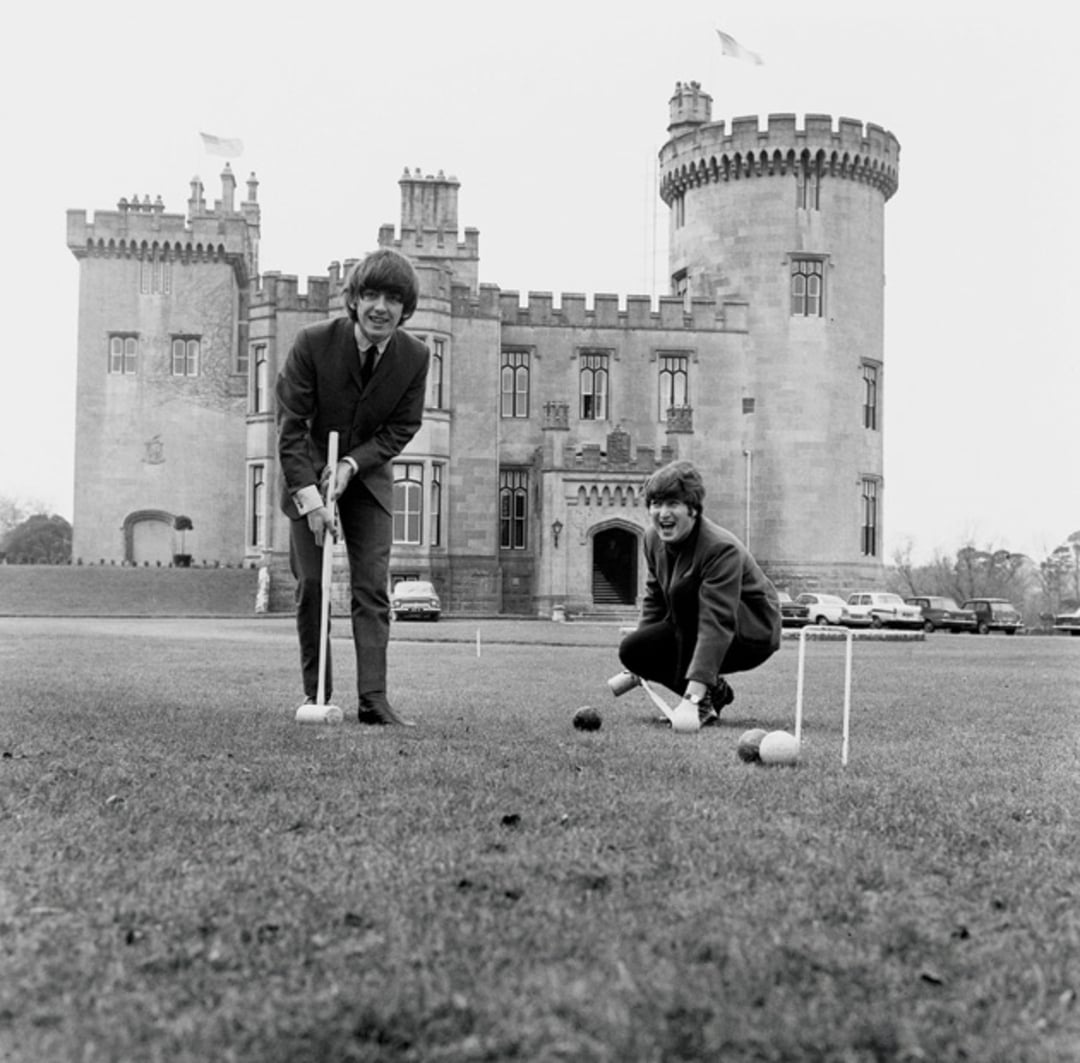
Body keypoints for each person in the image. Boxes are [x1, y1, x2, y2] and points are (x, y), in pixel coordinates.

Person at [276, 248, 429, 726]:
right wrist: (311, 501)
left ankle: (373, 700)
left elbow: (402, 427)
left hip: (367, 477)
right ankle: (316, 692)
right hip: (307, 473)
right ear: (355, 299)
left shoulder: (415, 357)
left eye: (393, 299)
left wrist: (351, 463)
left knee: (371, 588)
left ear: (405, 308)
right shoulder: (312, 343)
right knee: (313, 584)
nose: (381, 307)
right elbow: (291, 429)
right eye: (372, 295)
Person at [617, 460, 781, 725]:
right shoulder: (651, 539)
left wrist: (691, 698)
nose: (663, 513)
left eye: (673, 504)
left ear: (693, 509)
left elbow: (716, 622)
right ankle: (715, 693)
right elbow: (655, 600)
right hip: (693, 621)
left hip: (750, 631)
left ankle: (700, 700)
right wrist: (640, 662)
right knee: (632, 649)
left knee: (684, 595)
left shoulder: (720, 548)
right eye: (656, 504)